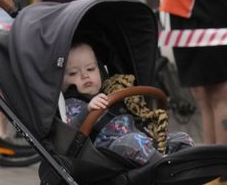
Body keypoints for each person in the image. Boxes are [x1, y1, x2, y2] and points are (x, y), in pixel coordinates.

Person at [156, 0, 227, 185]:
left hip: (208, 13)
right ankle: (211, 168)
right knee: (203, 93)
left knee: (219, 91)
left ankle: (221, 170)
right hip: (189, 14)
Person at [62, 41, 193, 166]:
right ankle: (165, 166)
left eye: (90, 69)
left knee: (181, 138)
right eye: (73, 73)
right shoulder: (71, 103)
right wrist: (88, 110)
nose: (85, 75)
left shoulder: (112, 91)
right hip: (108, 148)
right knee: (134, 142)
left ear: (101, 70)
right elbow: (69, 133)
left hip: (139, 139)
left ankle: (190, 169)